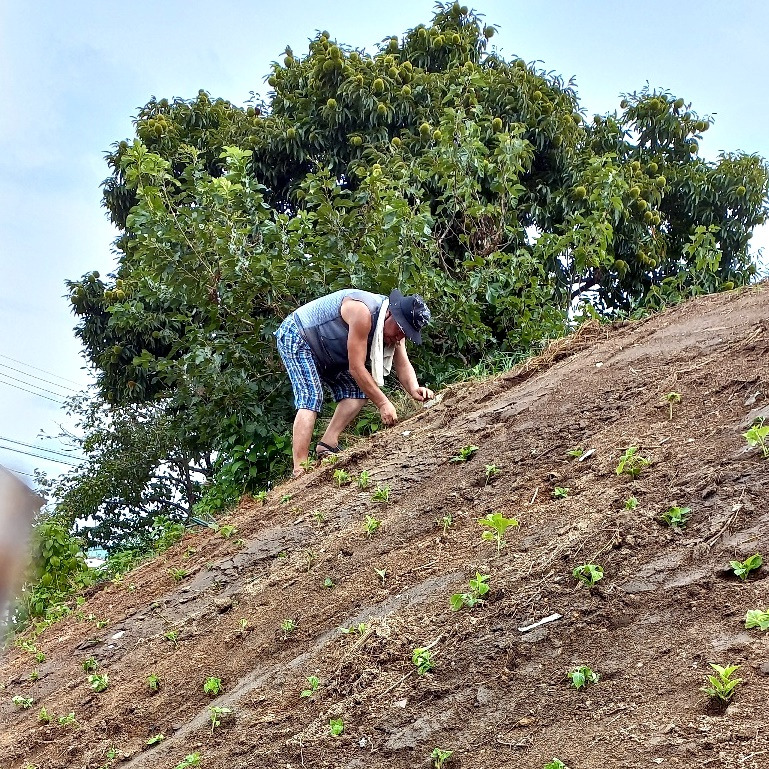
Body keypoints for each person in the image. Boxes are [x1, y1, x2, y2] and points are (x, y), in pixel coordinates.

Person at [276, 288, 434, 478]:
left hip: (329, 349)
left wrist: (415, 388)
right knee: (311, 397)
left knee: (358, 392)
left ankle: (327, 445)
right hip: (299, 335)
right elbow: (356, 368)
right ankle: (300, 469)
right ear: (390, 314)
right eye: (400, 330)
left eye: (405, 334)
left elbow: (403, 364)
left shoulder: (394, 329)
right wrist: (383, 403)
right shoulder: (363, 312)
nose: (399, 337)